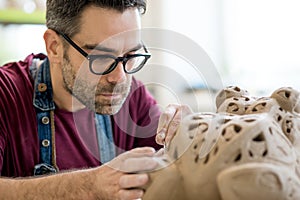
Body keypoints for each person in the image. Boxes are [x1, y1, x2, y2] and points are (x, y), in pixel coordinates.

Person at [0, 0, 192, 199]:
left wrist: (187, 135)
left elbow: (179, 166)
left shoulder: (132, 97)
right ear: (54, 47)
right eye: (101, 57)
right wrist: (89, 185)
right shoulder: (6, 93)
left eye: (130, 55)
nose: (119, 78)